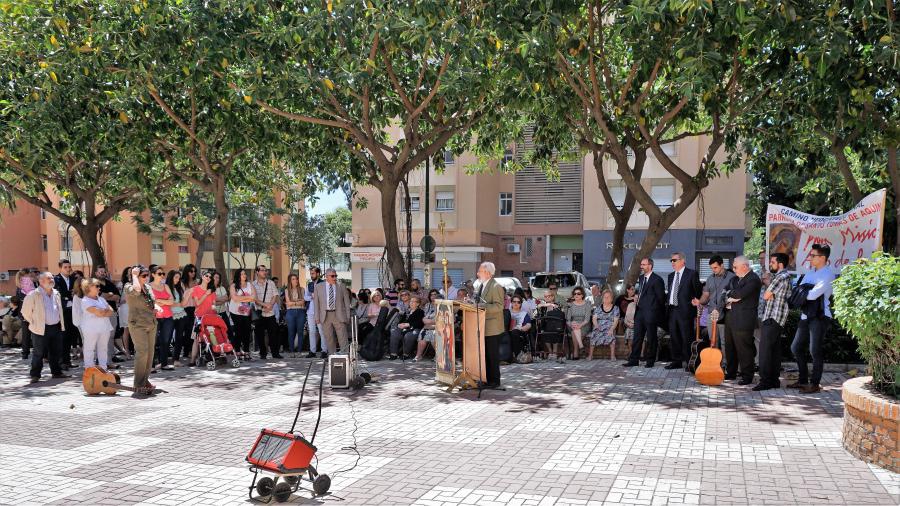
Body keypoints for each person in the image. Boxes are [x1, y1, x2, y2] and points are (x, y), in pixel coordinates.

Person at [790, 243, 835, 394]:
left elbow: (813, 294)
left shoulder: (828, 274)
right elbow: (798, 289)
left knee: (814, 350)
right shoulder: (810, 272)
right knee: (795, 347)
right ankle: (803, 380)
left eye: (813, 255)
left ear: (823, 258)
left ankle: (814, 384)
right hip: (805, 314)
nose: (810, 258)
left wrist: (804, 291)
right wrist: (805, 290)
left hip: (820, 316)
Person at [22, 272, 69, 383]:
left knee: (56, 351)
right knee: (39, 353)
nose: (52, 279)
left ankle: (56, 372)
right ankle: (35, 375)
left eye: (52, 278)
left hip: (55, 327)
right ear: (41, 281)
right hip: (40, 328)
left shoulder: (56, 293)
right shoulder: (33, 294)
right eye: (49, 278)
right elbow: (25, 312)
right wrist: (34, 322)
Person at [723, 256, 762, 385]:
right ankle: (731, 373)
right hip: (730, 317)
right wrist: (731, 296)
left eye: (735, 267)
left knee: (744, 349)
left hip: (744, 319)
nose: (733, 269)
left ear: (745, 266)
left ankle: (747, 376)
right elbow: (725, 293)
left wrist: (732, 295)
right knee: (730, 347)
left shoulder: (753, 279)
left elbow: (739, 295)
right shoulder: (734, 278)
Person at [755, 252, 791, 391]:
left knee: (764, 351)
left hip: (772, 317)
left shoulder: (780, 277)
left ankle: (765, 381)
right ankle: (774, 380)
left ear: (780, 264)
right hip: (779, 318)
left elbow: (766, 295)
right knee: (774, 351)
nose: (770, 264)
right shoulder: (787, 277)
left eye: (773, 262)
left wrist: (769, 294)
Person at [624, 258, 666, 368]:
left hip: (651, 314)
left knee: (652, 338)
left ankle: (650, 361)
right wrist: (638, 297)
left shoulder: (657, 280)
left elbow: (661, 299)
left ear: (650, 266)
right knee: (637, 337)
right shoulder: (641, 278)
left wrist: (654, 312)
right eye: (641, 264)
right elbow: (643, 292)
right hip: (639, 312)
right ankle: (634, 360)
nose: (641, 266)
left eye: (644, 264)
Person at [124, 266, 157, 396]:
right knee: (142, 352)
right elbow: (137, 290)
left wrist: (156, 308)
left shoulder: (148, 287)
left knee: (150, 354)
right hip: (138, 324)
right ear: (136, 276)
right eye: (143, 275)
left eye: (147, 275)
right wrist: (134, 275)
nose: (146, 278)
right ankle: (138, 384)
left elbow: (151, 303)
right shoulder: (129, 286)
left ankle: (144, 380)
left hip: (151, 323)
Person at [666, 252, 702, 370]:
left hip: (685, 311)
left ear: (682, 261)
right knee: (674, 337)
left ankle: (688, 362)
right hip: (672, 310)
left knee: (686, 337)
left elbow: (698, 291)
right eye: (671, 260)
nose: (672, 262)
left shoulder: (691, 274)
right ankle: (676, 361)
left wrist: (695, 302)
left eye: (674, 260)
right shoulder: (671, 276)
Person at [694, 256, 735, 350]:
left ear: (722, 265)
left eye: (715, 267)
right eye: (711, 268)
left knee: (725, 341)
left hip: (725, 314)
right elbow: (705, 295)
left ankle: (725, 363)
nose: (713, 270)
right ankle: (714, 363)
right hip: (711, 313)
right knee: (713, 341)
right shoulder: (710, 278)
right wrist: (699, 302)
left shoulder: (732, 277)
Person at [475, 262, 505, 388]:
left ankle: (494, 381)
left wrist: (482, 306)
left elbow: (499, 306)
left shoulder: (495, 286)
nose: (478, 273)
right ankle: (486, 379)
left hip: (493, 327)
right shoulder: (483, 285)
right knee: (486, 354)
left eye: (480, 271)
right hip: (484, 326)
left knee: (492, 355)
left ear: (487, 273)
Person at [80, 278, 115, 369]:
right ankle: (89, 369)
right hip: (91, 329)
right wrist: (104, 311)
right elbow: (99, 313)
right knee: (89, 349)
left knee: (103, 349)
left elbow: (111, 311)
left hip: (104, 328)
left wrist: (103, 311)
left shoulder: (101, 299)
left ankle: (103, 369)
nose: (99, 288)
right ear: (89, 287)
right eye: (97, 286)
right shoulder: (85, 300)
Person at [314, 268, 351, 354]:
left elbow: (346, 302)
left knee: (342, 337)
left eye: (336, 276)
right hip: (325, 315)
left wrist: (348, 316)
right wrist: (316, 317)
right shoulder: (318, 287)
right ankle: (332, 356)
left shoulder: (341, 286)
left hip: (339, 315)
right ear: (326, 276)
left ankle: (345, 356)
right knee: (329, 338)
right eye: (332, 276)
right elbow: (316, 304)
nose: (335, 278)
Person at [251, 265, 281, 359]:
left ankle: (275, 353)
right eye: (262, 270)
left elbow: (275, 295)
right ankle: (263, 353)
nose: (265, 272)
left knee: (273, 334)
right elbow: (253, 299)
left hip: (270, 312)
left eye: (266, 270)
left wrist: (270, 306)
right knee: (260, 335)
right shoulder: (253, 284)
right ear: (257, 272)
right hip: (259, 313)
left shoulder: (271, 283)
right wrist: (265, 306)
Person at [150, 268, 176, 371]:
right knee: (153, 341)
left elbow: (172, 301)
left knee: (165, 341)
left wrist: (160, 301)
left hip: (168, 316)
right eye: (159, 273)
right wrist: (165, 301)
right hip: (155, 316)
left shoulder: (166, 286)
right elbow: (151, 302)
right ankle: (151, 365)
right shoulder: (149, 287)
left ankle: (164, 363)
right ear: (153, 274)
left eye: (163, 273)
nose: (161, 275)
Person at [54, 259, 77, 369]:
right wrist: (68, 296)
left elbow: (76, 292)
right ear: (60, 268)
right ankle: (61, 361)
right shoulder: (56, 279)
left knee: (70, 336)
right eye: (65, 267)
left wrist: (70, 296)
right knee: (63, 337)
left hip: (72, 311)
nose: (68, 269)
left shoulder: (73, 278)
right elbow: (58, 294)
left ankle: (67, 361)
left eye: (69, 267)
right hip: (62, 311)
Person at [229, 269, 256, 360]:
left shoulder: (250, 285)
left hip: (246, 312)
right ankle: (237, 351)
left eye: (245, 273)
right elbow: (234, 298)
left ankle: (247, 351)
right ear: (238, 276)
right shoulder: (233, 286)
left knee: (247, 332)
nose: (244, 275)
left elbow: (254, 298)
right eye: (242, 274)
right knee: (238, 332)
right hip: (235, 312)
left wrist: (240, 298)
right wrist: (248, 298)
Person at [166, 269, 190, 366]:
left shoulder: (179, 288)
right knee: (167, 338)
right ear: (171, 277)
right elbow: (168, 304)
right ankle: (163, 359)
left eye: (178, 278)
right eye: (176, 277)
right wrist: (177, 304)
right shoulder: (166, 288)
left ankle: (176, 359)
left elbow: (183, 304)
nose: (177, 280)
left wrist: (187, 296)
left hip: (181, 315)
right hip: (170, 316)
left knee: (179, 338)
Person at [389, 295, 425, 360]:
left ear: (418, 304)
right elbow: (402, 321)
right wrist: (400, 324)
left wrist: (408, 324)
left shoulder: (420, 312)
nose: (411, 303)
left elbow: (419, 323)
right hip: (405, 328)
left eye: (414, 302)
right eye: (411, 301)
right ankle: (393, 353)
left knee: (409, 335)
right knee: (394, 332)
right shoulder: (407, 311)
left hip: (415, 328)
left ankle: (406, 354)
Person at [589, 288, 619, 360]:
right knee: (594, 333)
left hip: (610, 326)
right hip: (599, 326)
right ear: (602, 298)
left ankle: (612, 355)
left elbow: (616, 321)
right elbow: (594, 318)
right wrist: (596, 326)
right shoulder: (598, 308)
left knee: (611, 334)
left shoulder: (615, 308)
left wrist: (612, 329)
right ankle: (590, 355)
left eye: (608, 297)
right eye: (605, 297)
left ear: (612, 298)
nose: (606, 298)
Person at [283, 273, 307, 358]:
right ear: (290, 280)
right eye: (293, 279)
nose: (295, 280)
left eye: (296, 279)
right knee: (291, 332)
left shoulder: (302, 290)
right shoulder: (286, 291)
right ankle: (292, 351)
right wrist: (297, 302)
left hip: (301, 312)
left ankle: (299, 352)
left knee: (300, 332)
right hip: (290, 313)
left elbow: (303, 302)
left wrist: (293, 302)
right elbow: (288, 304)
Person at [565, 287, 592, 359]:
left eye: (578, 293)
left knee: (574, 332)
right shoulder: (570, 305)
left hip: (584, 324)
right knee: (574, 324)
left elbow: (587, 319)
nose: (576, 295)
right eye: (575, 294)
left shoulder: (587, 304)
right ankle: (581, 346)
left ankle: (576, 352)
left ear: (582, 295)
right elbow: (568, 320)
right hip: (572, 325)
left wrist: (580, 325)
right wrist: (571, 324)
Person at [305, 266, 326, 357]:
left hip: (320, 311)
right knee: (312, 331)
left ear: (318, 273)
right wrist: (312, 297)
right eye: (310, 273)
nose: (311, 275)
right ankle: (312, 351)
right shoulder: (309, 284)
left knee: (322, 331)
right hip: (310, 311)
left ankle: (324, 350)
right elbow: (305, 297)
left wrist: (316, 296)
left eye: (313, 273)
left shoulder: (323, 283)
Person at [508, 294, 532, 361]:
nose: (516, 303)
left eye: (518, 302)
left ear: (521, 304)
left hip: (519, 331)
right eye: (514, 302)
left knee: (515, 332)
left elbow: (528, 325)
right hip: (507, 331)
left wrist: (520, 328)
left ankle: (517, 355)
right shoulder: (507, 312)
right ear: (511, 302)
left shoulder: (524, 313)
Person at [116, 267, 133, 359]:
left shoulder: (137, 283)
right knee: (126, 330)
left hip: (135, 308)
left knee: (135, 330)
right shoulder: (121, 284)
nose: (130, 274)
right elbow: (119, 298)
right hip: (125, 308)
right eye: (129, 272)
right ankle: (127, 352)